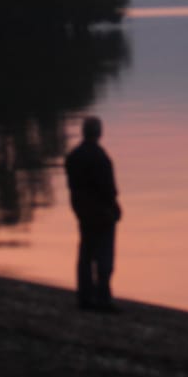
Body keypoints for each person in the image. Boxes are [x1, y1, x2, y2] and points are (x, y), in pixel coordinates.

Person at [64, 115, 121, 312]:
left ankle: (84, 297)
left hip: (83, 212)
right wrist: (114, 208)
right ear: (99, 133)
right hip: (101, 214)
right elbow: (109, 189)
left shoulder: (73, 157)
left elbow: (72, 187)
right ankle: (103, 298)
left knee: (86, 255)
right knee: (104, 258)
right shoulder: (100, 157)